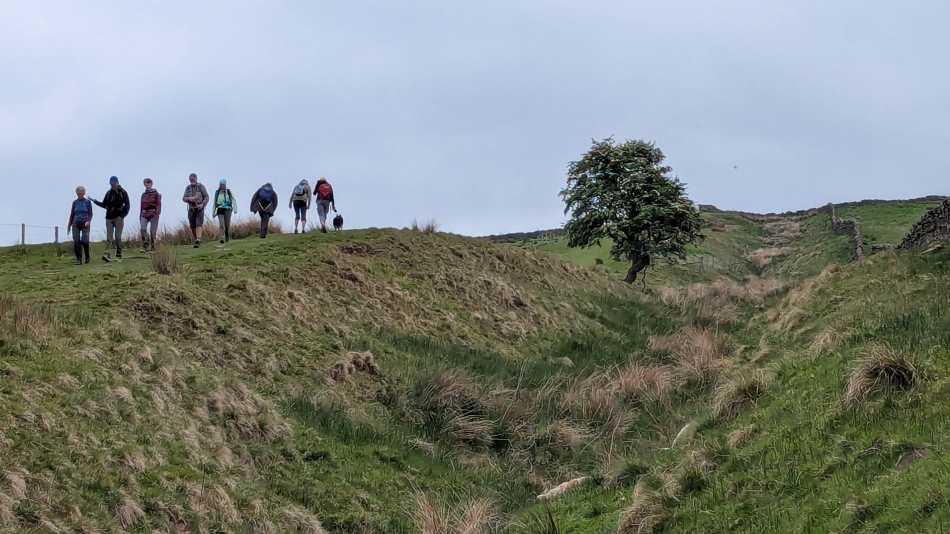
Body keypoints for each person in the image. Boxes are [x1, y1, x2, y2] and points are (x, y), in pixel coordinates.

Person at [92, 176, 130, 261]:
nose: (112, 185)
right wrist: (95, 201)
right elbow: (104, 205)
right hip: (109, 218)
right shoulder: (108, 193)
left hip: (118, 218)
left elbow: (127, 206)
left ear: (117, 182)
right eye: (111, 183)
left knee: (117, 237)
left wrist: (122, 216)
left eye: (114, 183)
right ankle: (107, 255)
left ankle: (119, 253)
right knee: (109, 237)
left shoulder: (123, 192)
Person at [67, 186, 93, 265]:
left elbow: (90, 214)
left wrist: (88, 221)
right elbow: (72, 214)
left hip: (85, 224)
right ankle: (79, 259)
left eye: (81, 193)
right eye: (78, 193)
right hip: (75, 224)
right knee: (76, 241)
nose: (79, 194)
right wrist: (69, 225)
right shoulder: (75, 203)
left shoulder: (88, 202)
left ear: (84, 193)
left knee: (85, 241)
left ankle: (87, 257)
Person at [182, 173, 209, 248]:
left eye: (193, 178)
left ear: (196, 178)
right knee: (192, 225)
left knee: (198, 224)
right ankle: (196, 239)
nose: (192, 180)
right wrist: (189, 199)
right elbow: (183, 198)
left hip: (200, 208)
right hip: (191, 208)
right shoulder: (187, 188)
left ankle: (198, 239)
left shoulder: (201, 186)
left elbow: (206, 197)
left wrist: (202, 204)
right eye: (191, 179)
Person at [140, 178, 162, 252]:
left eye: (149, 182)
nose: (147, 184)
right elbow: (141, 205)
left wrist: (157, 213)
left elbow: (159, 204)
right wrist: (140, 215)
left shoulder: (156, 194)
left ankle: (153, 247)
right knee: (143, 229)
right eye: (146, 183)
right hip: (144, 214)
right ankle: (145, 245)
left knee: (152, 231)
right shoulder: (143, 194)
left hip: (153, 213)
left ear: (151, 183)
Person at [213, 178, 237, 243]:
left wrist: (235, 209)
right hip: (220, 209)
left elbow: (233, 200)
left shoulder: (228, 192)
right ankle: (222, 238)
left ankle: (226, 235)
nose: (222, 186)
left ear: (225, 185)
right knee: (221, 224)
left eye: (223, 184)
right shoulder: (217, 192)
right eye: (221, 184)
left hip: (228, 209)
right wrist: (213, 212)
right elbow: (214, 202)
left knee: (227, 225)